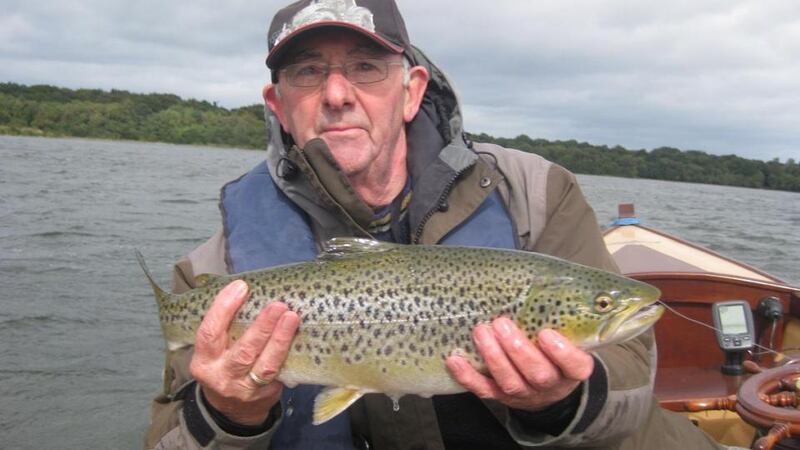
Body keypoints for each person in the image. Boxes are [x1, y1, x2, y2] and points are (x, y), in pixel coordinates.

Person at [144, 1, 740, 449]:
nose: (336, 94)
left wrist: (559, 404)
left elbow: (635, 376)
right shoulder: (207, 273)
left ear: (411, 91)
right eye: (306, 72)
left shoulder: (537, 193)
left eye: (365, 67)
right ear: (278, 105)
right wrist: (228, 413)